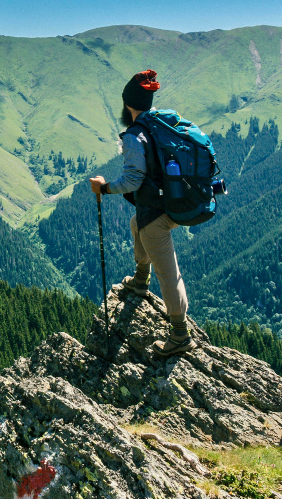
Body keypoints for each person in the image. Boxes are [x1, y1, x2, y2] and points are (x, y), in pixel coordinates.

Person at [89, 69, 196, 356]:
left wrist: (104, 187)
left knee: (168, 272)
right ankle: (139, 280)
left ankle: (180, 334)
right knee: (137, 223)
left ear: (128, 105)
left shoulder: (136, 135)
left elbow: (133, 180)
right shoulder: (160, 123)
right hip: (176, 201)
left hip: (158, 213)